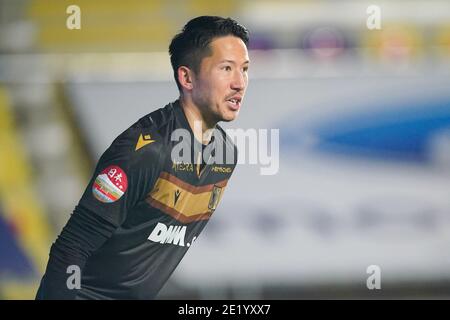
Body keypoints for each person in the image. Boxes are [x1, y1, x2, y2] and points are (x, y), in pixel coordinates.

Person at [36, 15, 250, 300]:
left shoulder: (226, 155)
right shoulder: (144, 151)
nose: (239, 83)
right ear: (186, 77)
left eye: (245, 69)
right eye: (226, 68)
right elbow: (72, 247)